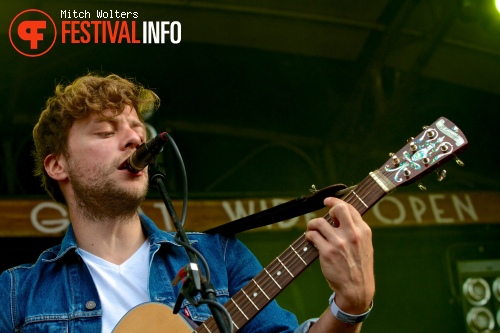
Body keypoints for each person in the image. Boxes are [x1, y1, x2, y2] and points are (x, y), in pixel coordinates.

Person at [0, 73, 375, 333]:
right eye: (105, 131)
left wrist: (350, 306)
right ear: (57, 165)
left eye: (136, 129)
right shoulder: (16, 294)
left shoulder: (220, 259)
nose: (134, 140)